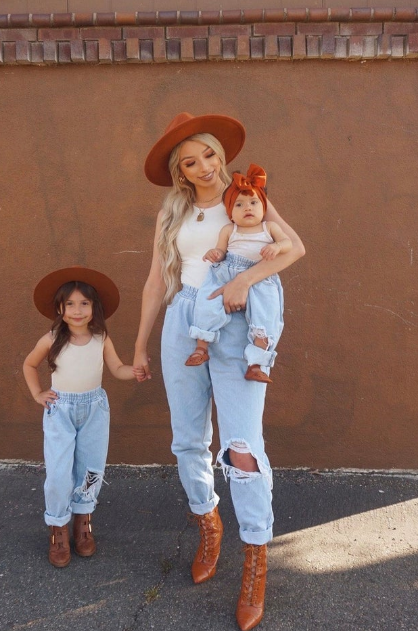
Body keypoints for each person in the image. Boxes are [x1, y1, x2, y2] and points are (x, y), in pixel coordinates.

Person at [133, 112, 305, 631]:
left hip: (238, 321)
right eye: (191, 162)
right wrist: (140, 344)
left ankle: (255, 556)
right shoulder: (172, 214)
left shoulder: (246, 196)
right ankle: (209, 525)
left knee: (242, 445)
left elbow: (294, 248)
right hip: (184, 319)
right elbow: (155, 281)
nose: (204, 166)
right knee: (188, 439)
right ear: (180, 172)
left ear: (220, 154)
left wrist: (245, 280)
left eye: (209, 154)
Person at [23, 266, 135, 568]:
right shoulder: (51, 339)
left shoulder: (101, 338)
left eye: (84, 303)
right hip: (60, 411)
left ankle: (83, 519)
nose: (77, 310)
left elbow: (117, 368)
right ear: (60, 308)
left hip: (94, 410)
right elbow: (29, 365)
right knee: (59, 472)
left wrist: (134, 371)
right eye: (70, 304)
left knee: (91, 467)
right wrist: (37, 393)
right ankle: (58, 526)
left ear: (94, 307)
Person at [185, 163, 293, 385]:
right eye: (239, 204)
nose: (247, 208)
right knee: (208, 301)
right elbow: (221, 251)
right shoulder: (229, 230)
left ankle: (256, 364)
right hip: (227, 273)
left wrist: (276, 246)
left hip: (260, 278)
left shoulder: (269, 228)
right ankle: (201, 347)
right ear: (230, 213)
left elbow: (288, 243)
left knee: (266, 316)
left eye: (253, 202)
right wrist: (215, 254)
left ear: (263, 206)